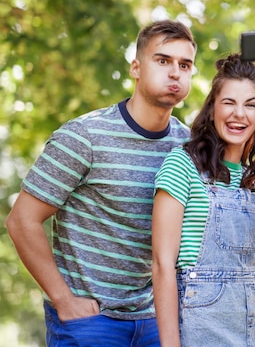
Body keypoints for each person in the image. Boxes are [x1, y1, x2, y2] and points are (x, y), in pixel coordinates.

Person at [5, 20, 197, 346]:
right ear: (136, 68)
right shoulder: (84, 136)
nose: (175, 72)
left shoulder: (188, 145)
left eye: (185, 64)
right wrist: (63, 299)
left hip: (154, 321)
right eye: (162, 61)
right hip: (91, 320)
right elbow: (22, 220)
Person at [151, 53, 255, 347]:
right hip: (201, 321)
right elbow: (161, 263)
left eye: (250, 105)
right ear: (213, 108)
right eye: (229, 102)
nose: (239, 114)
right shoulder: (183, 165)